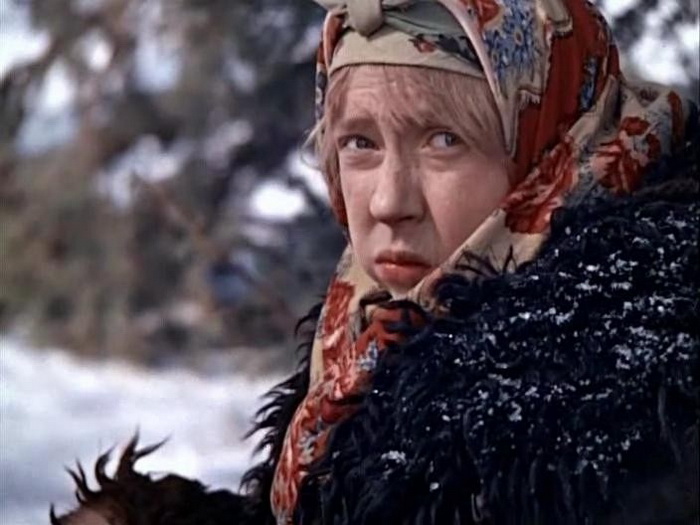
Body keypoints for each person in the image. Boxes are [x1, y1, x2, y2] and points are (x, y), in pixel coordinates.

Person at [54, 0, 698, 524]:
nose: (388, 202)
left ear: (553, 149)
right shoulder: (374, 324)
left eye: (443, 140)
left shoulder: (632, 403)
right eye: (360, 143)